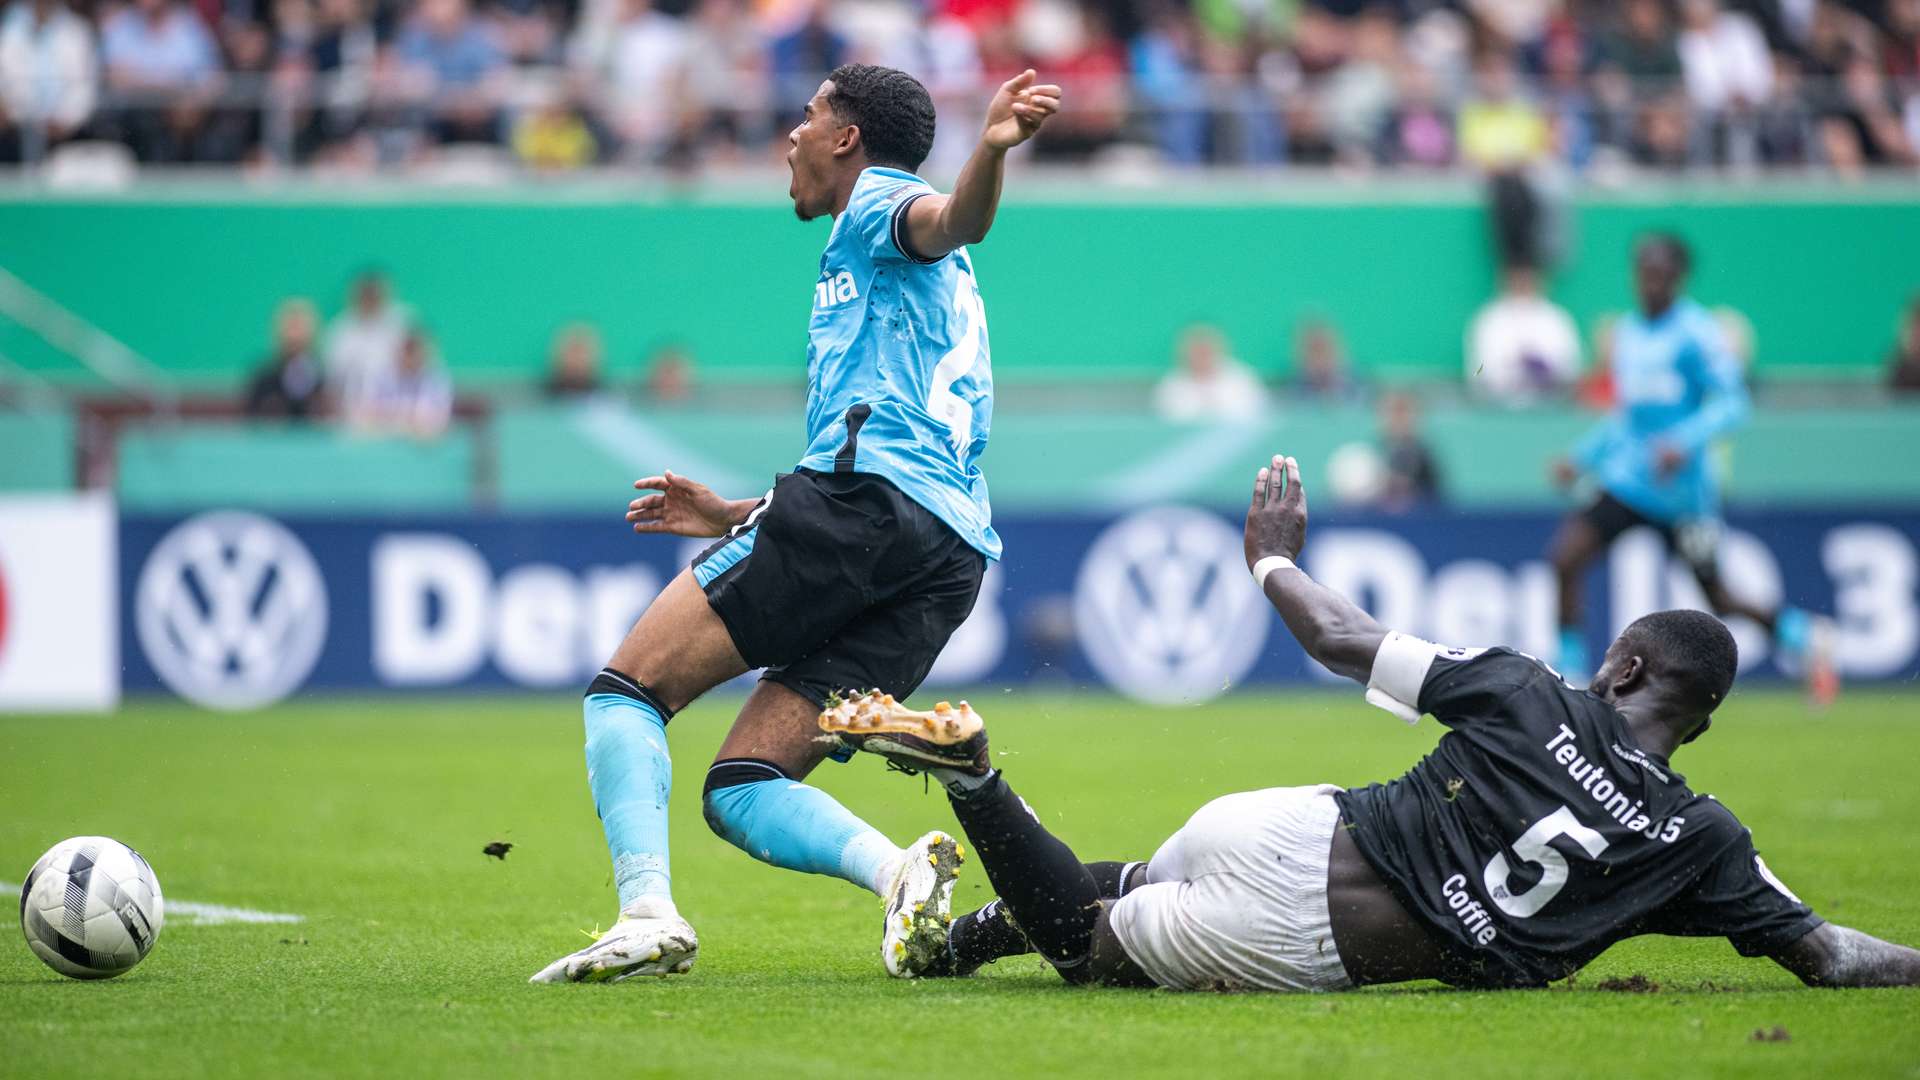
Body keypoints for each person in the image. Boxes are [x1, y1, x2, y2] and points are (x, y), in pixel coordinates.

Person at [822, 454, 1920, 992]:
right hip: (1321, 940)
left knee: (1135, 879)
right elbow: (1827, 957)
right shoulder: (1700, 840)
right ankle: (973, 775)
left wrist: (1272, 559)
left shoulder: (1528, 688)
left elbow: (1344, 639)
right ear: (1704, 721)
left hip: (1292, 823)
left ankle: (960, 944)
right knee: (1085, 945)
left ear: (1622, 665)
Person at [529, 64, 1062, 985]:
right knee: (741, 788)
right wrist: (741, 514)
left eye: (809, 115)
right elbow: (902, 456)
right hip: (948, 551)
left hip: (865, 512)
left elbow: (954, 219)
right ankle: (899, 873)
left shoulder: (880, 206)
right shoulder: (904, 282)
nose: (792, 134)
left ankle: (645, 912)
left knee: (627, 693)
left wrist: (990, 149)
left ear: (847, 138)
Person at [1545, 233, 1834, 701]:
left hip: (1683, 494)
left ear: (1678, 278)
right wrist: (1581, 458)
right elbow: (1626, 418)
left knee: (1717, 596)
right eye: (1643, 273)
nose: (1649, 284)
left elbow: (1734, 403)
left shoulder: (1698, 334)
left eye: (1659, 275)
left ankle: (1806, 637)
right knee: (1566, 558)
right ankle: (1571, 674)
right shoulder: (1628, 335)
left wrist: (1683, 441)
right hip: (1629, 482)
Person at [324, 269, 411, 417]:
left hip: (400, 415)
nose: (371, 299)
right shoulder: (340, 332)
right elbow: (332, 382)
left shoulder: (405, 324)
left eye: (375, 293)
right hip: (350, 416)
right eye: (366, 294)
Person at [1152, 324, 1267, 422]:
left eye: (1207, 349)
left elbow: (1257, 416)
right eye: (1197, 350)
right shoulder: (1171, 385)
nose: (1202, 355)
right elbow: (1166, 421)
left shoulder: (1242, 379)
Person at [243, 298, 325, 420]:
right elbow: (252, 418)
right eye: (291, 327)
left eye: (300, 327)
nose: (295, 335)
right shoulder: (264, 376)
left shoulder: (322, 376)